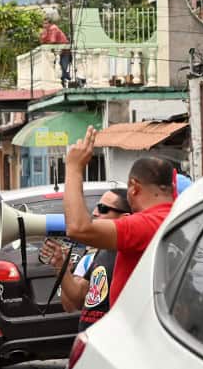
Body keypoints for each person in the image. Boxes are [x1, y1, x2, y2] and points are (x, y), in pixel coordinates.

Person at [64, 127, 175, 306]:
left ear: (134, 187)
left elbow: (78, 228)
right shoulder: (179, 215)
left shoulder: (146, 223)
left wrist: (73, 168)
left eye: (103, 209)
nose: (96, 213)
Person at [43, 188, 130, 369]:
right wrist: (61, 269)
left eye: (103, 209)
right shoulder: (103, 250)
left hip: (111, 356)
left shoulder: (130, 254)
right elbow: (77, 298)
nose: (95, 213)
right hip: (90, 352)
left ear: (125, 218)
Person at [41, 16, 72, 87]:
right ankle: (64, 81)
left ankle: (66, 80)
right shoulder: (47, 30)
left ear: (50, 24)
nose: (44, 25)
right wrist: (44, 33)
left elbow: (52, 41)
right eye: (43, 24)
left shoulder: (53, 28)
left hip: (64, 51)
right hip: (57, 52)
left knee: (63, 68)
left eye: (46, 23)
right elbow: (42, 41)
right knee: (57, 68)